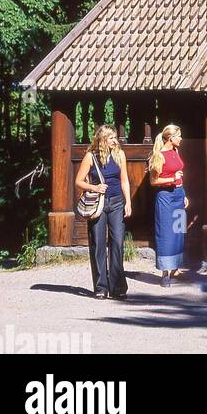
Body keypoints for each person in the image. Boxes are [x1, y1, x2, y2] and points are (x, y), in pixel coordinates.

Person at [75, 124, 131, 300]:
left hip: (116, 203)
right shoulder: (90, 157)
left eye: (115, 137)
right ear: (103, 139)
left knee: (117, 242)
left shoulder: (120, 155)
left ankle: (117, 287)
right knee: (98, 244)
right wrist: (95, 187)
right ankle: (100, 287)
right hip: (98, 204)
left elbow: (125, 181)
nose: (116, 140)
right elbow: (79, 181)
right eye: (112, 138)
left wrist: (128, 202)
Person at [148, 123, 188, 287]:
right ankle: (165, 273)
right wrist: (172, 179)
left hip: (178, 195)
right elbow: (153, 181)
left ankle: (176, 267)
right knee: (165, 233)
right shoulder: (159, 155)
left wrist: (184, 193)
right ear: (171, 138)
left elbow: (180, 175)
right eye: (178, 136)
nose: (181, 138)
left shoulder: (175, 151)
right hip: (165, 197)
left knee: (179, 230)